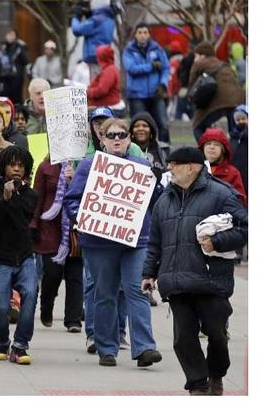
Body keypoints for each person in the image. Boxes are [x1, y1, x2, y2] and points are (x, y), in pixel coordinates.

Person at [142, 147, 247, 395]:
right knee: (183, 339)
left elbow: (245, 228)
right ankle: (198, 385)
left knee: (217, 334)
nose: (169, 168)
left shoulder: (222, 194)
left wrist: (218, 241)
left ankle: (216, 374)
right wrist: (148, 274)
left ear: (192, 167)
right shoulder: (164, 200)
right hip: (176, 279)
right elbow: (155, 241)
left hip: (210, 279)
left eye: (174, 164)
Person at [63, 118, 163, 368]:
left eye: (122, 135)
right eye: (111, 135)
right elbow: (72, 199)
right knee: (105, 293)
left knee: (137, 291)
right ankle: (107, 348)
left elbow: (156, 203)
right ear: (102, 139)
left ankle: (145, 348)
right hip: (99, 241)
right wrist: (83, 219)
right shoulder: (89, 165)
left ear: (129, 139)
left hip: (135, 240)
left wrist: (156, 184)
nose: (117, 139)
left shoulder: (142, 166)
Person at [0, 146, 38, 365]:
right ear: (4, 167)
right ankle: (2, 342)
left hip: (24, 256)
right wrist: (3, 199)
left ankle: (21, 346)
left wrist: (11, 198)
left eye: (21, 166)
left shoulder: (31, 195)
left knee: (31, 295)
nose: (16, 169)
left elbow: (21, 220)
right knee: (2, 305)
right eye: (12, 165)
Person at [30, 157, 83, 332]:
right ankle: (46, 307)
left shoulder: (83, 166)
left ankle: (73, 320)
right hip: (50, 228)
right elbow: (37, 197)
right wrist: (33, 224)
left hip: (74, 228)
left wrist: (75, 179)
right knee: (52, 274)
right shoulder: (45, 166)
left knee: (75, 275)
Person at [122, 23, 171, 143]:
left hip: (156, 93)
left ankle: (166, 153)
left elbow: (166, 68)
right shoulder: (128, 50)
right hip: (137, 96)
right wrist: (151, 66)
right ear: (135, 35)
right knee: (139, 127)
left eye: (145, 32)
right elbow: (131, 68)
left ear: (149, 34)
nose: (143, 35)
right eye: (140, 33)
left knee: (163, 125)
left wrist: (163, 84)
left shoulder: (157, 49)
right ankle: (139, 155)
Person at [189, 41, 244, 140]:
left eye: (196, 56)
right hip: (238, 101)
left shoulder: (199, 64)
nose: (194, 59)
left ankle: (207, 151)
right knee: (234, 133)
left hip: (218, 103)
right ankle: (232, 152)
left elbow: (192, 87)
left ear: (202, 55)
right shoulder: (225, 64)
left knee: (197, 127)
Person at [70, 0, 116, 76]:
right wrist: (89, 15)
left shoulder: (96, 20)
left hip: (94, 57)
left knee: (95, 84)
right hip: (102, 56)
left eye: (92, 1)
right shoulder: (108, 18)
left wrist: (76, 16)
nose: (90, 4)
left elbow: (77, 30)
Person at [197, 128, 246, 205]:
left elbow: (240, 200)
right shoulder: (194, 170)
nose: (212, 147)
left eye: (216, 144)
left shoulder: (232, 173)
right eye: (208, 143)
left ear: (223, 150)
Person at [129, 112, 169, 181]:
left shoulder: (165, 149)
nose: (140, 128)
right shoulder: (124, 150)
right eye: (136, 126)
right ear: (131, 131)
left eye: (145, 126)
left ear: (151, 130)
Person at [87, 45, 125, 116]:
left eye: (98, 55)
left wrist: (88, 92)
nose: (96, 58)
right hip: (107, 107)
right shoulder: (109, 68)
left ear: (102, 56)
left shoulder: (109, 70)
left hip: (110, 109)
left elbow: (102, 90)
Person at [0, 30, 29, 104]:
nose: (10, 37)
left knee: (17, 97)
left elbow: (26, 61)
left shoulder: (19, 47)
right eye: (8, 35)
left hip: (17, 77)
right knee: (5, 97)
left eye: (12, 35)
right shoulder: (3, 47)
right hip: (5, 76)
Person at [229, 105, 248, 195]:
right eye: (238, 120)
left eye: (243, 118)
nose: (241, 121)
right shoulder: (234, 136)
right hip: (236, 171)